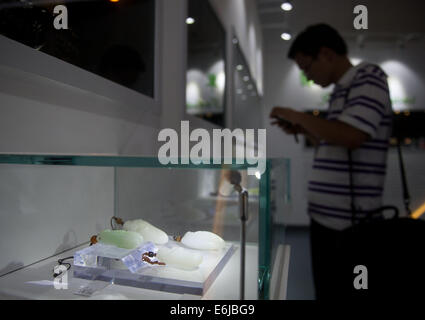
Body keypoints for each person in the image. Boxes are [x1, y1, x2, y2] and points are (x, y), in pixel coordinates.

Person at [270, 24, 392, 300]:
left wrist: (297, 115)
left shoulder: (368, 77)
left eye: (307, 67)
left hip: (351, 225)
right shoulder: (340, 91)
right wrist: (305, 131)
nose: (307, 76)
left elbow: (352, 136)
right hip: (327, 220)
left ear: (325, 54)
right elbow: (338, 140)